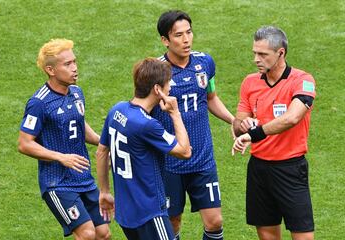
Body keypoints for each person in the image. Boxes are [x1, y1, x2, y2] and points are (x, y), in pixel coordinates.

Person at [152, 10, 235, 240]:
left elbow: (211, 98)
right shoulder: (156, 71)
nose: (186, 39)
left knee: (215, 221)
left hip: (203, 159)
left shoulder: (204, 63)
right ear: (165, 40)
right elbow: (142, 111)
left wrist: (232, 119)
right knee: (172, 222)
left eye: (189, 32)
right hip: (170, 162)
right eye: (178, 35)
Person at [17, 39, 110, 240]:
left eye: (74, 62)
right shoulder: (39, 103)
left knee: (103, 234)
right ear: (51, 70)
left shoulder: (76, 93)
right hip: (57, 183)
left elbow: (79, 125)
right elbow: (24, 143)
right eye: (67, 64)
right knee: (86, 234)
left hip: (83, 178)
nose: (75, 68)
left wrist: (105, 141)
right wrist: (61, 157)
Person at [232, 26, 316, 240]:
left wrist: (254, 133)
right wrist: (244, 124)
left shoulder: (303, 80)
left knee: (303, 236)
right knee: (267, 235)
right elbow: (238, 122)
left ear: (281, 53)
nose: (256, 59)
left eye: (262, 54)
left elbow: (291, 118)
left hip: (290, 168)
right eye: (254, 53)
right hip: (259, 169)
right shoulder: (250, 82)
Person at [96, 57, 192, 240]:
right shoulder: (146, 125)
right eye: (167, 84)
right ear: (157, 89)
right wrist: (175, 113)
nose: (170, 87)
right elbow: (185, 151)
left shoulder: (117, 110)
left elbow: (101, 151)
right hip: (149, 212)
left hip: (126, 214)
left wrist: (104, 191)